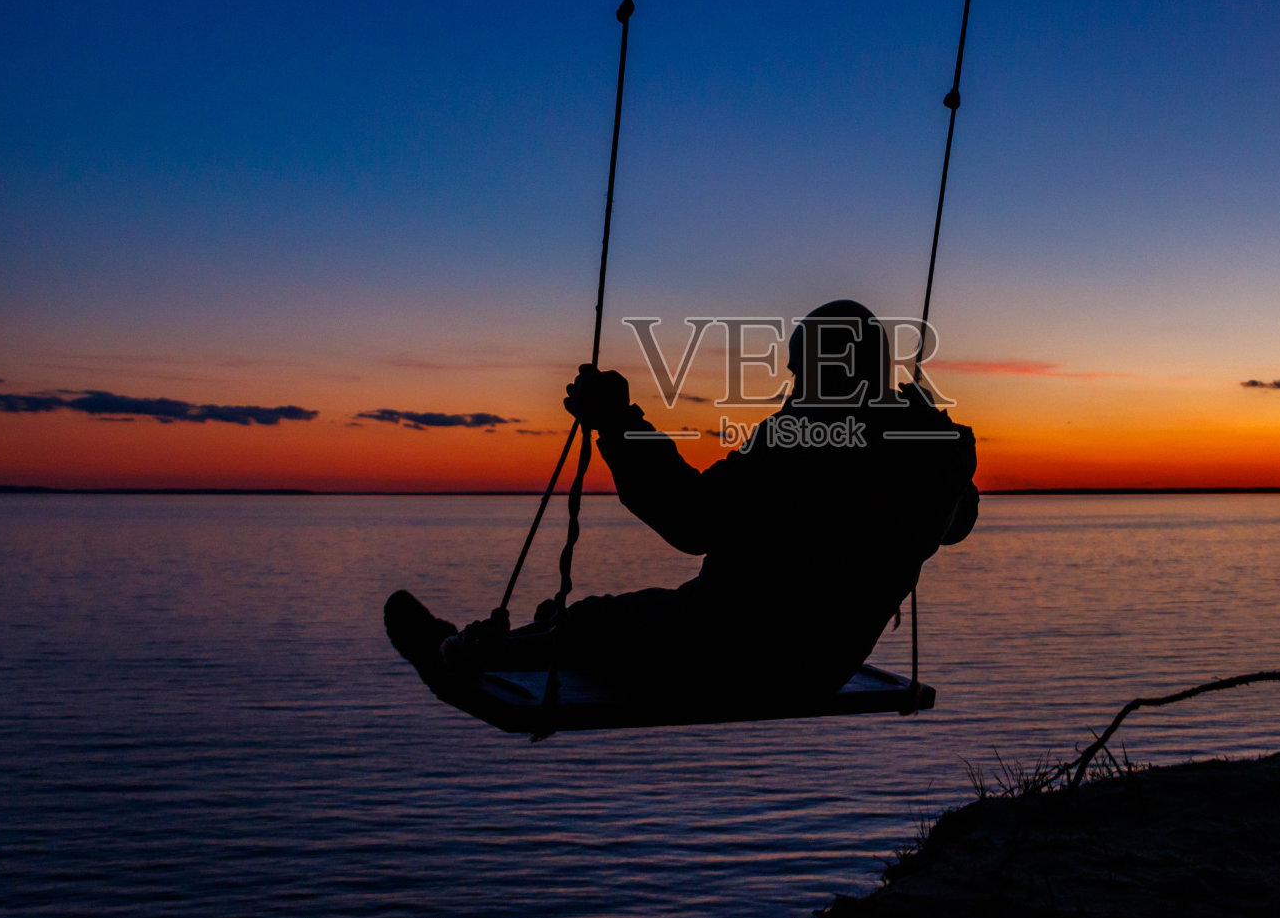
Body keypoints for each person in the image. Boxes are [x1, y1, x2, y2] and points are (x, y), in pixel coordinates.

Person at [386, 299, 977, 701]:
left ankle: (456, 656)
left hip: (740, 651)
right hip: (826, 661)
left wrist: (619, 423)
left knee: (600, 629)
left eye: (802, 376)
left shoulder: (805, 445)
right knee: (606, 618)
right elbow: (960, 516)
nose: (792, 391)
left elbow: (693, 516)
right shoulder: (927, 460)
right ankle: (546, 626)